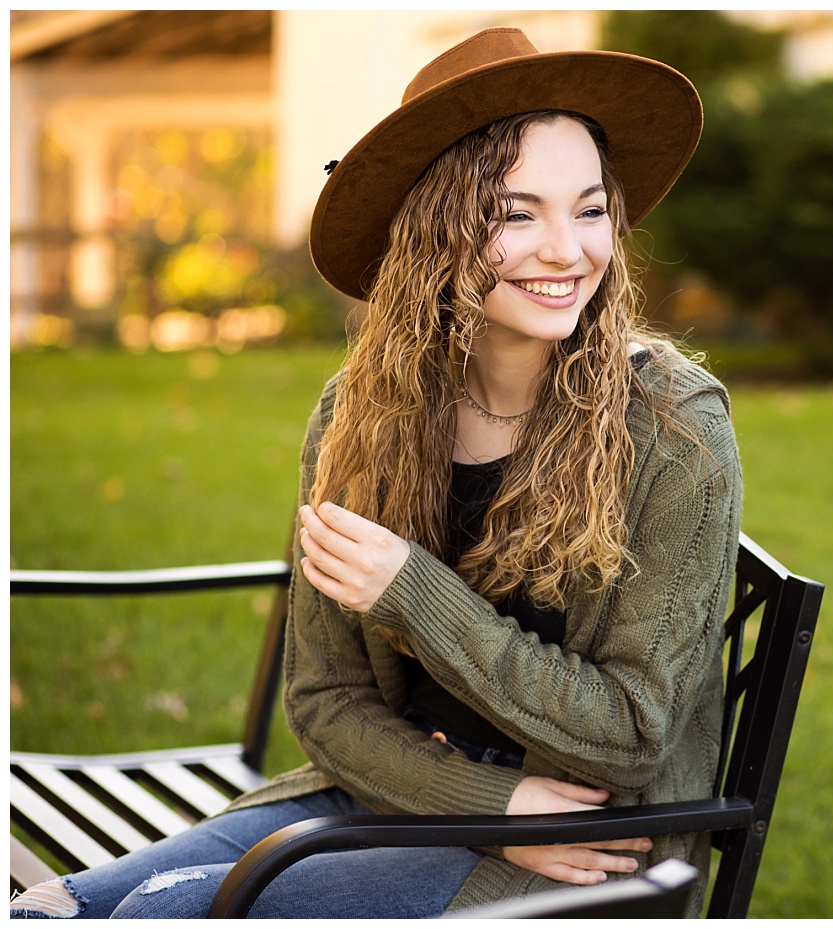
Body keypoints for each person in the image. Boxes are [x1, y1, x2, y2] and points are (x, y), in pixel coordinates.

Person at [10, 28, 738, 918]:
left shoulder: (670, 428)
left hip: (584, 842)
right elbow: (325, 699)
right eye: (516, 213)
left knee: (159, 916)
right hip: (416, 793)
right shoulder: (365, 413)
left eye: (589, 210)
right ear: (435, 235)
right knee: (59, 907)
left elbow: (628, 734)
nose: (568, 250)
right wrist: (486, 800)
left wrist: (413, 591)